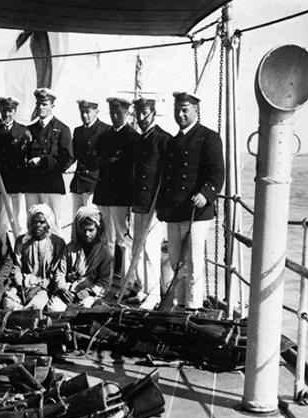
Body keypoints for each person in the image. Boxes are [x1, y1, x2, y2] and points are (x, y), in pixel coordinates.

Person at [156, 91, 224, 309]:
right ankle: (178, 304)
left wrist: (206, 193)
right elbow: (166, 179)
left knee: (193, 262)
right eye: (177, 109)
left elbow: (217, 173)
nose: (180, 114)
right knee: (176, 263)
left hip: (197, 212)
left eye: (185, 110)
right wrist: (162, 207)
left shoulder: (209, 137)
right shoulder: (173, 142)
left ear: (196, 110)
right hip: (174, 212)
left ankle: (193, 306)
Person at [128, 98, 172, 308]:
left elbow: (168, 176)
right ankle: (143, 288)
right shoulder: (139, 140)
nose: (142, 118)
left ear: (153, 113)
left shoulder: (163, 139)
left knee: (149, 249)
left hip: (155, 205)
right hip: (140, 202)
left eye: (145, 113)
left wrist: (161, 203)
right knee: (137, 246)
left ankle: (154, 295)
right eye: (139, 113)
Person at [93, 97, 140, 278]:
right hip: (104, 193)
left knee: (123, 237)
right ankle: (107, 274)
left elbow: (132, 167)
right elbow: (95, 159)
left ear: (126, 113)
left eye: (118, 112)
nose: (114, 116)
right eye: (112, 112)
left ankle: (127, 276)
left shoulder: (133, 137)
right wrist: (112, 161)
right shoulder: (105, 136)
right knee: (105, 237)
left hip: (121, 194)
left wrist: (112, 162)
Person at [23, 88, 73, 235]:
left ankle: (57, 257)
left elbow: (67, 158)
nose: (41, 107)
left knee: (54, 225)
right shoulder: (29, 129)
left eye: (44, 104)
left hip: (52, 184)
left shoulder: (62, 129)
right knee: (32, 224)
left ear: (52, 106)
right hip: (32, 184)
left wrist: (44, 161)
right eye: (38, 104)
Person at [47, 204, 113, 311]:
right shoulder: (69, 249)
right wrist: (62, 289)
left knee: (85, 309)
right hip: (69, 289)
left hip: (89, 292)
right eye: (84, 230)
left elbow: (104, 281)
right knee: (54, 308)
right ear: (78, 229)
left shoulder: (104, 253)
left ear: (98, 230)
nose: (87, 234)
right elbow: (60, 273)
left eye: (91, 230)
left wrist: (89, 291)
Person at [0, 96, 31, 235]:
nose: (7, 114)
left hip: (17, 182)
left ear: (15, 111)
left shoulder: (23, 131)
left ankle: (19, 250)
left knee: (18, 221)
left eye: (10, 111)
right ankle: (1, 251)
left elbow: (29, 154)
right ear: (0, 109)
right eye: (4, 110)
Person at [3, 204, 66, 311]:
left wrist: (40, 287)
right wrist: (19, 286)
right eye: (35, 222)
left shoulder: (57, 243)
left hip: (44, 288)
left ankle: (23, 313)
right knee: (7, 301)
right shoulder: (21, 241)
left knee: (36, 306)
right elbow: (17, 268)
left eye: (42, 222)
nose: (38, 225)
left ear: (48, 223)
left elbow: (56, 272)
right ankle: (23, 312)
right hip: (23, 285)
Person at [70, 99, 110, 216]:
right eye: (82, 112)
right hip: (78, 184)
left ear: (96, 111)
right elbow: (72, 156)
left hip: (94, 184)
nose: (84, 115)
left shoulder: (105, 130)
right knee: (77, 220)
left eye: (88, 112)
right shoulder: (78, 131)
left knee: (91, 220)